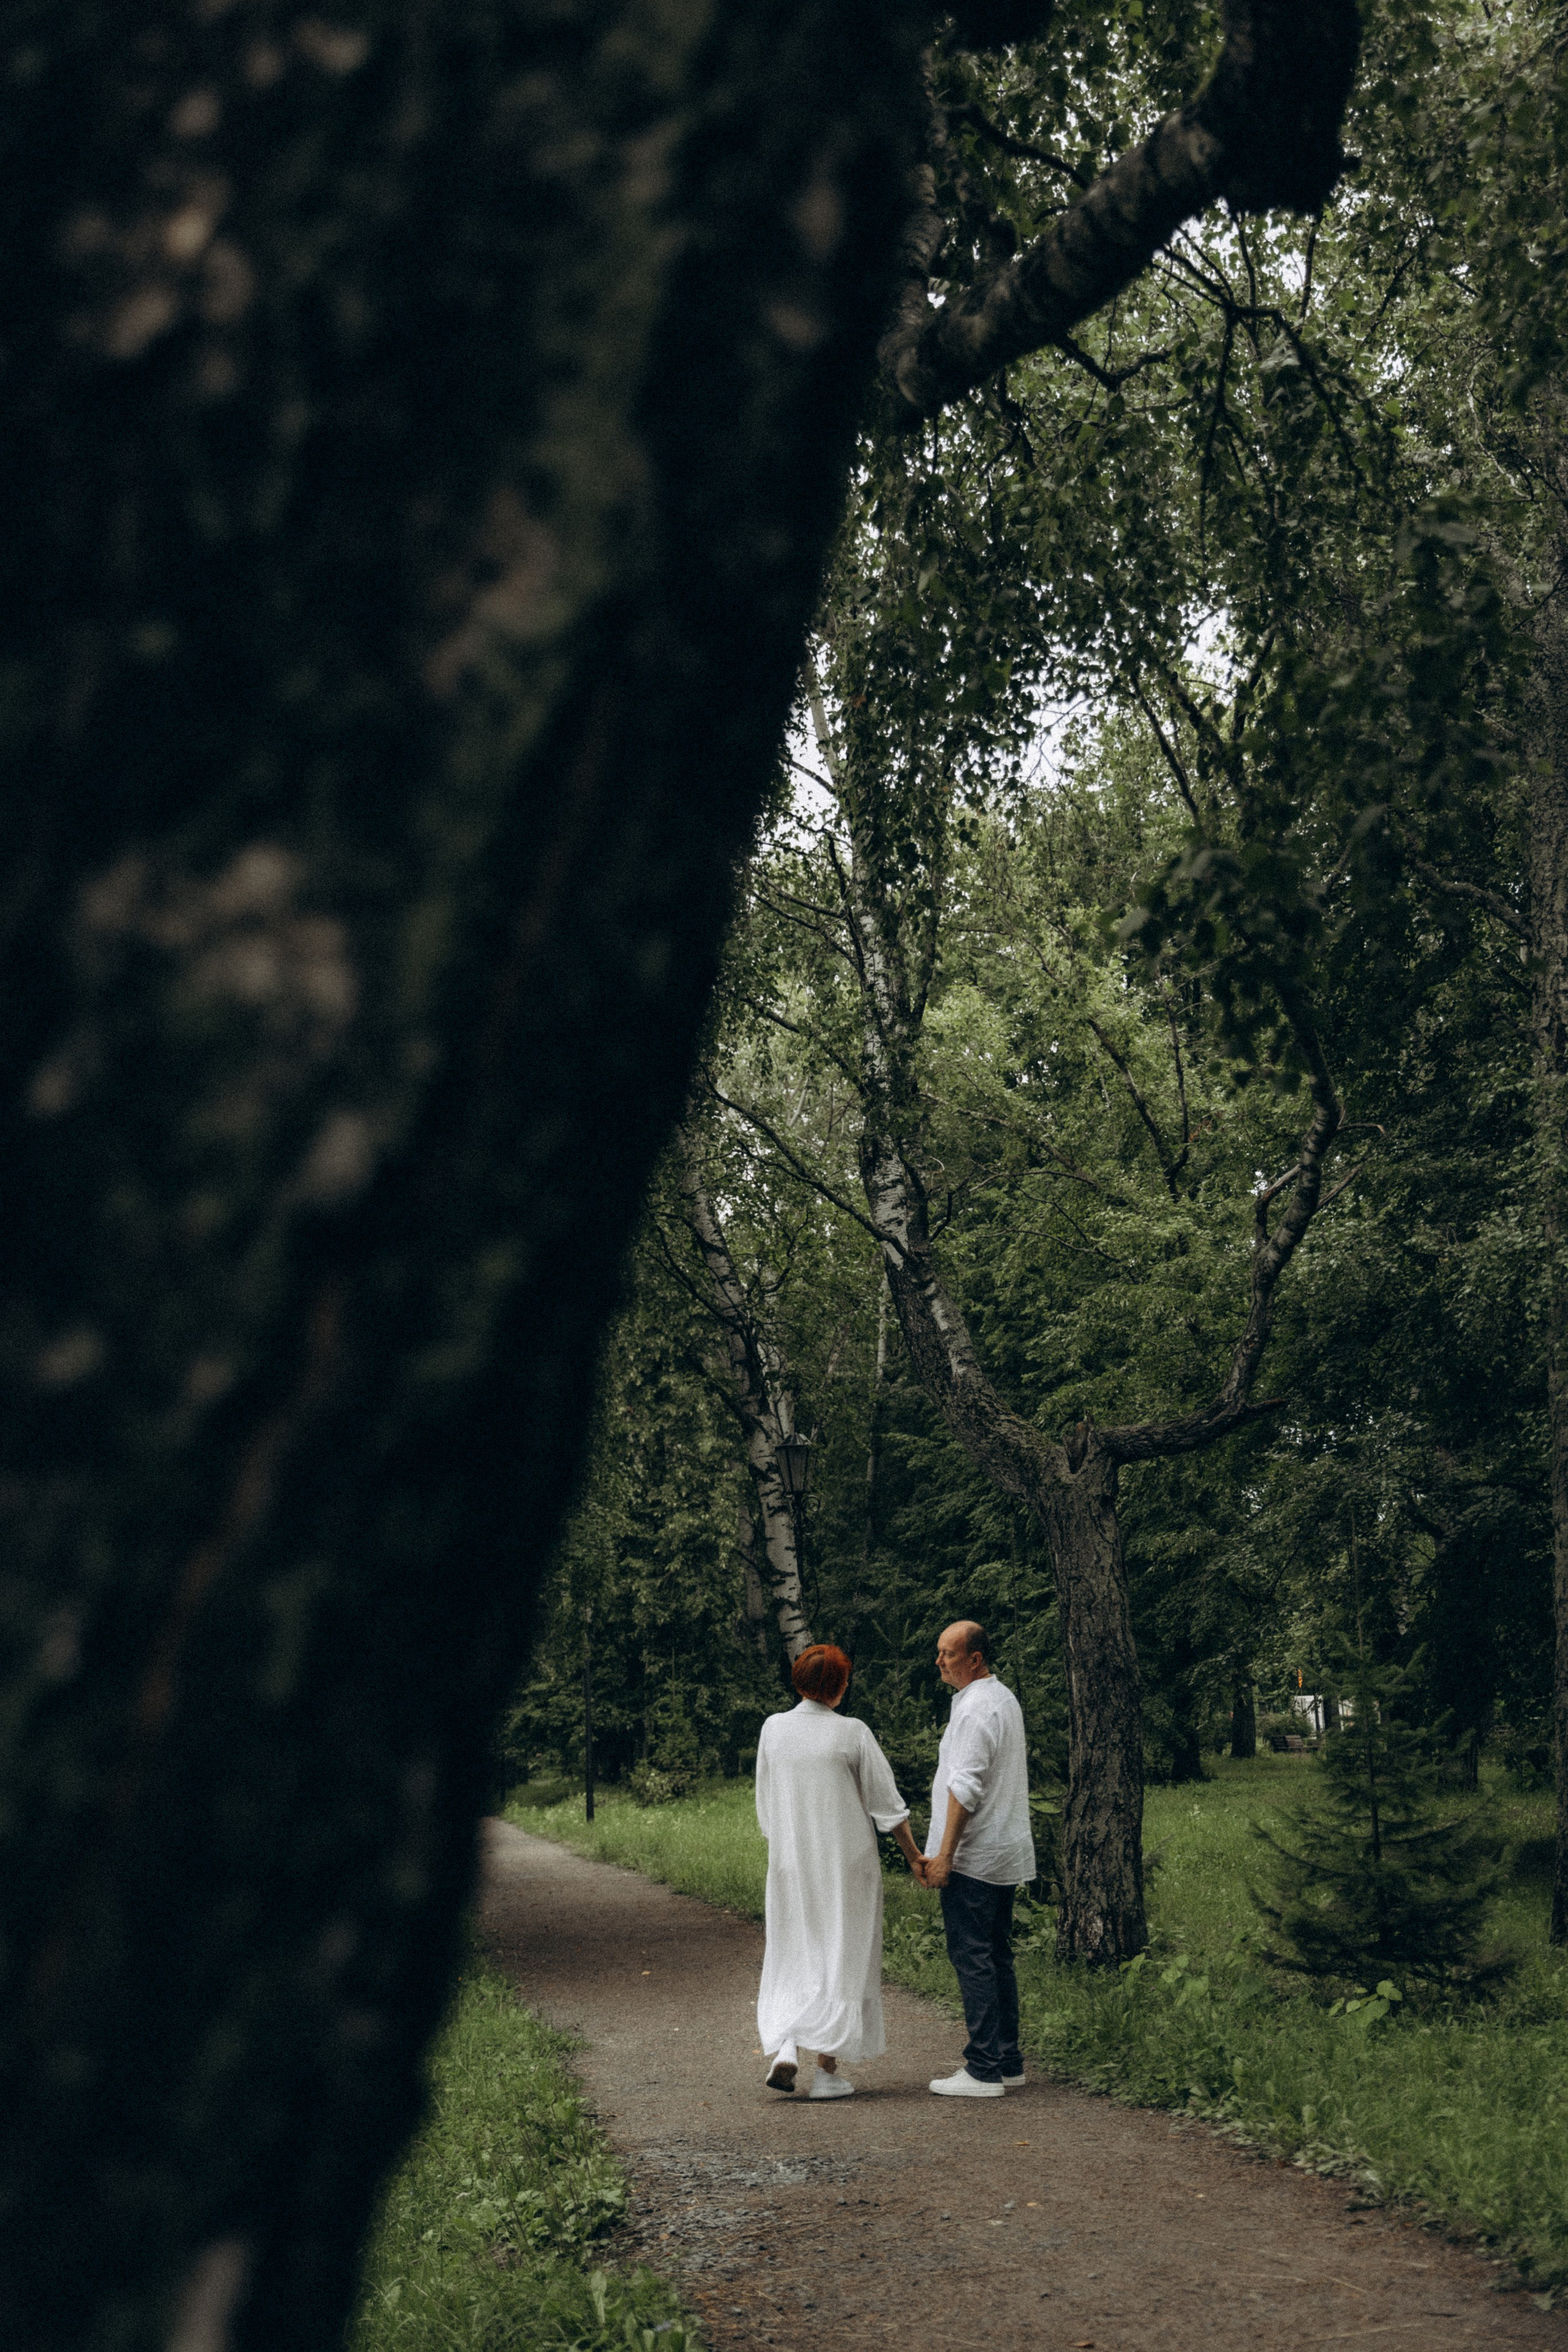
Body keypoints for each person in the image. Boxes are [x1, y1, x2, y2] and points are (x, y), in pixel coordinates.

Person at [755, 1642, 927, 2100]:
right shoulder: (852, 1733)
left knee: (794, 1949)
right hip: (847, 1864)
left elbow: (767, 1804)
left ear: (799, 1681)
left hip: (791, 1863)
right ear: (841, 1687)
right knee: (843, 1954)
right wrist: (914, 1857)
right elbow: (887, 1807)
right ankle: (827, 2073)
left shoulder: (773, 1729)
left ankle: (787, 2044)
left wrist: (787, 1848)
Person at [924, 1619, 1035, 2098]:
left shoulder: (976, 1711)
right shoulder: (1000, 1698)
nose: (940, 1661)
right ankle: (1008, 2061)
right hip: (1003, 1852)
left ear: (976, 1658)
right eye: (940, 1652)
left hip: (976, 1856)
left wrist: (945, 1855)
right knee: (997, 1956)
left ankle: (984, 2069)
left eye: (949, 1653)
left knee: (973, 1958)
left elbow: (965, 1788)